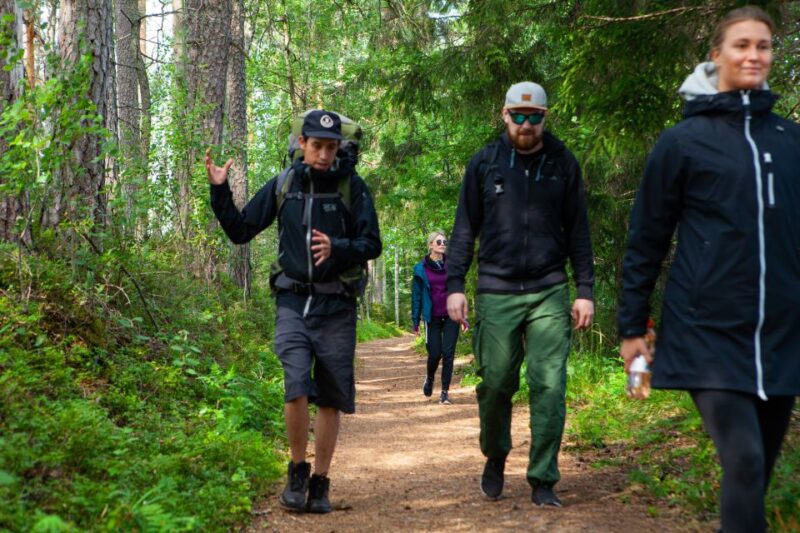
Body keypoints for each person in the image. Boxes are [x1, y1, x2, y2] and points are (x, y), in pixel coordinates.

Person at [618, 7, 799, 533]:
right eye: (742, 45)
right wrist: (632, 327)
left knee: (757, 472)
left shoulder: (790, 140)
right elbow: (647, 238)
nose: (754, 55)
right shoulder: (683, 141)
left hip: (781, 333)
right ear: (716, 54)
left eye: (763, 46)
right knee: (744, 461)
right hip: (708, 332)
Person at [206, 110, 382, 514]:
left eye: (331, 147)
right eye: (317, 146)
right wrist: (219, 190)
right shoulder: (284, 184)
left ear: (339, 147)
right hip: (292, 301)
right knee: (296, 384)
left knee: (331, 397)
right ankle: (297, 470)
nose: (324, 155)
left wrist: (338, 247)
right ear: (302, 144)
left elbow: (372, 243)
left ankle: (321, 481)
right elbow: (241, 230)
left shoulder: (352, 186)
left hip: (337, 304)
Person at [447, 82, 595, 506]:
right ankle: (495, 455)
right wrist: (455, 285)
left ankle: (543, 479)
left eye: (534, 117)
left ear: (545, 117)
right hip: (496, 289)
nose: (526, 125)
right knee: (496, 383)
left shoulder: (562, 163)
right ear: (504, 114)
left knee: (549, 384)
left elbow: (578, 230)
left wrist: (584, 289)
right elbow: (464, 229)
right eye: (518, 116)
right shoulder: (484, 163)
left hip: (549, 288)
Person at [411, 231, 463, 405]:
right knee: (435, 354)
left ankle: (444, 393)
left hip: (451, 316)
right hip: (431, 317)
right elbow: (417, 296)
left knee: (448, 354)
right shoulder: (421, 268)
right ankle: (430, 377)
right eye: (439, 242)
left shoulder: (452, 265)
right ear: (430, 245)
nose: (442, 244)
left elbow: (459, 290)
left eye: (444, 242)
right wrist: (415, 320)